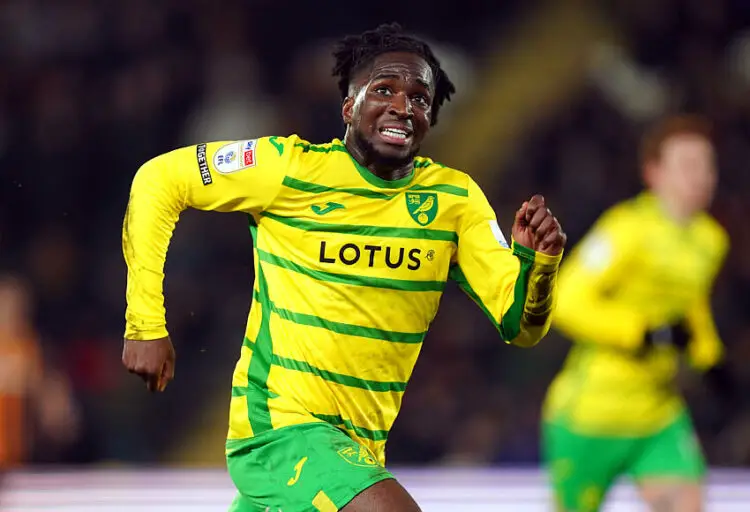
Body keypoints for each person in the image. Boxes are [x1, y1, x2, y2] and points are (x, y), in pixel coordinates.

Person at [121, 23, 566, 512]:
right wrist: (146, 322)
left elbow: (521, 325)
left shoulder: (455, 202)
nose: (403, 105)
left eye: (420, 98)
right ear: (348, 106)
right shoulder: (289, 169)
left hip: (358, 449)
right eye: (385, 90)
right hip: (280, 431)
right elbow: (158, 180)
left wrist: (537, 263)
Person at [542, 115, 731, 512]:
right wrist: (642, 333)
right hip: (591, 416)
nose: (701, 177)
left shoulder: (710, 240)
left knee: (687, 504)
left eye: (707, 165)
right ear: (654, 173)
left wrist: (709, 359)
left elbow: (690, 305)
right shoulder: (625, 231)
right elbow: (565, 299)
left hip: (657, 415)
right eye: (687, 165)